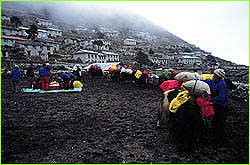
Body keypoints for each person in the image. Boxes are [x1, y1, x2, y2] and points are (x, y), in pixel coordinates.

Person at [203, 69, 229, 148]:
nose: (213, 76)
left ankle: (220, 142)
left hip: (222, 106)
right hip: (216, 105)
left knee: (220, 123)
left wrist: (211, 100)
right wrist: (198, 80)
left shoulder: (222, 84)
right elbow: (208, 81)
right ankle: (216, 139)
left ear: (219, 76)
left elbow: (221, 98)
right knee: (214, 122)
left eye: (215, 75)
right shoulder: (214, 82)